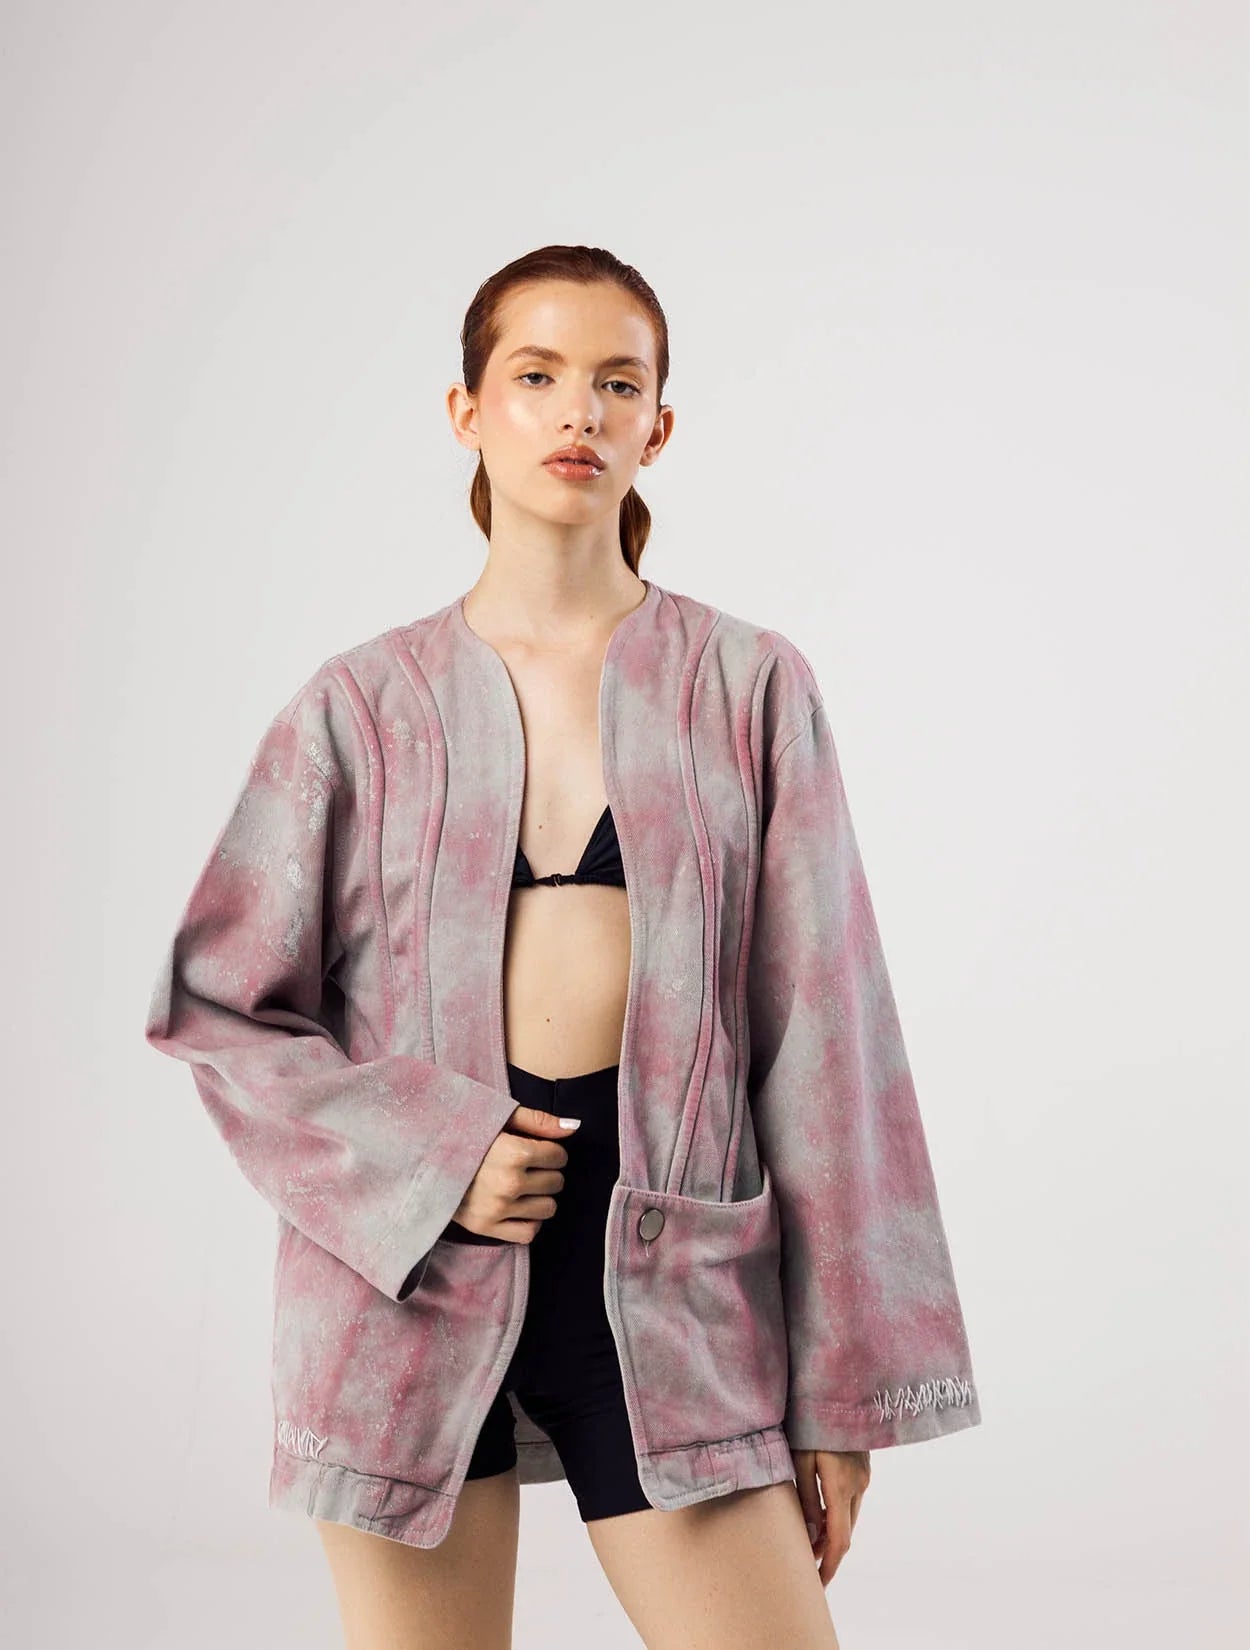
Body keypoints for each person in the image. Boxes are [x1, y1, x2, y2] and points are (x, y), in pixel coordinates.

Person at [145, 244, 980, 1650]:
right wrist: (432, 1156)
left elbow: (829, 1046)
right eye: (535, 376)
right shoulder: (357, 707)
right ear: (467, 410)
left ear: (661, 425)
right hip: (403, 1287)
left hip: (676, 1285)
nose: (579, 411)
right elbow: (218, 1008)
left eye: (617, 383)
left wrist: (840, 1396)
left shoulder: (748, 687)